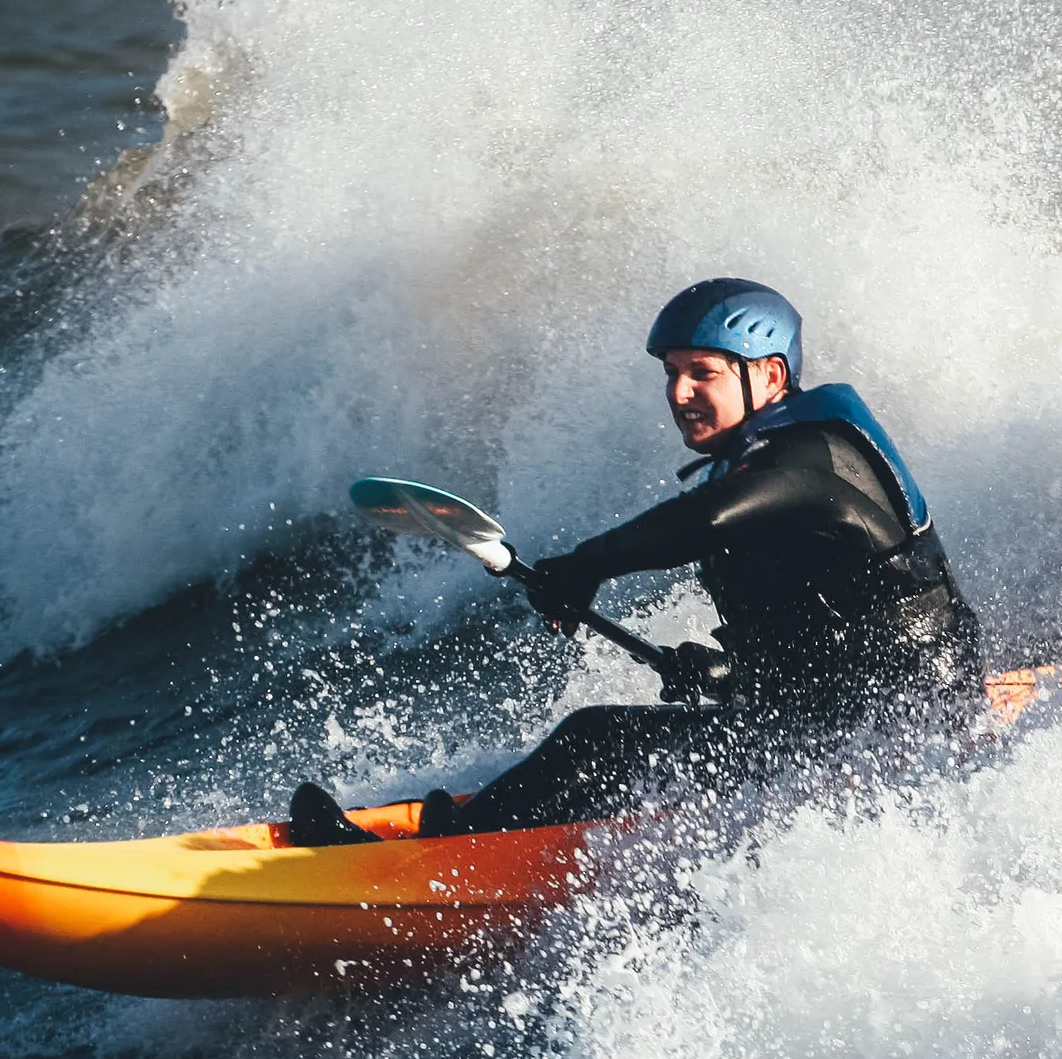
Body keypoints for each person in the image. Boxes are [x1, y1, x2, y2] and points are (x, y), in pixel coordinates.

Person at [288, 278, 981, 845]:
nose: (679, 394)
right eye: (672, 374)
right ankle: (480, 837)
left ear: (770, 375)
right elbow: (818, 619)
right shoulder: (752, 466)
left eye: (701, 373)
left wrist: (589, 563)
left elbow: (700, 522)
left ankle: (441, 860)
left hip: (903, 729)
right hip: (831, 718)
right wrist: (726, 668)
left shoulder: (815, 456)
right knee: (612, 751)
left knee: (598, 740)